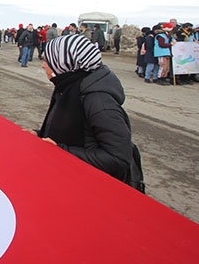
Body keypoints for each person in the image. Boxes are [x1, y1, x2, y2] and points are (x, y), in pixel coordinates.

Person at [32, 34, 136, 187]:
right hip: (68, 176)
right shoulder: (68, 87)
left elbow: (118, 158)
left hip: (89, 185)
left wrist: (61, 151)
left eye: (48, 61)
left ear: (65, 63)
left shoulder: (98, 101)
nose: (43, 65)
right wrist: (38, 135)